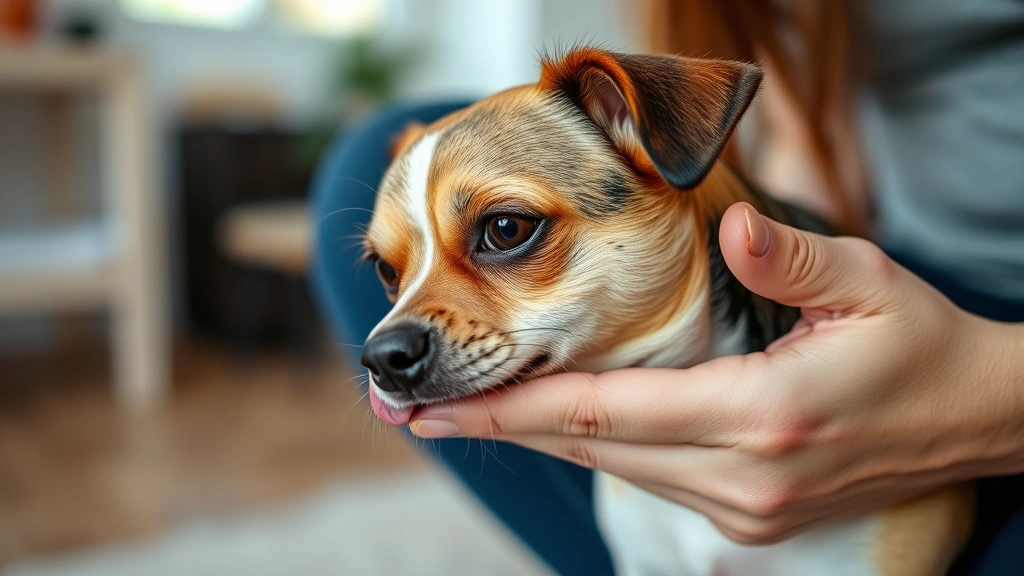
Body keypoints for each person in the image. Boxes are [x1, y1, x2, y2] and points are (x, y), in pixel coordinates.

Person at [312, 2, 1024, 574]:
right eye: (393, 271)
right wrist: (792, 238)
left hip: (982, 342)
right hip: (893, 258)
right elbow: (811, 131)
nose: (392, 336)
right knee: (357, 158)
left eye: (504, 231)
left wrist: (990, 409)